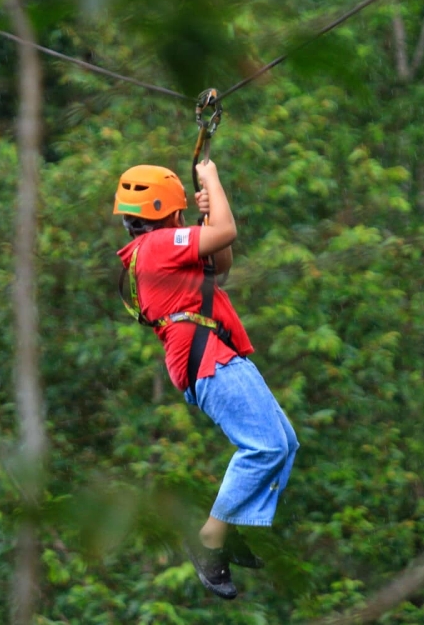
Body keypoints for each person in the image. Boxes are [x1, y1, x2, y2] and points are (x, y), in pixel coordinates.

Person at [114, 161, 299, 599]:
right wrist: (212, 181)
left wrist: (210, 209)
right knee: (266, 446)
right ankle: (211, 537)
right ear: (169, 214)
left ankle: (230, 529)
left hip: (215, 354)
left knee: (284, 443)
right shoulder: (159, 245)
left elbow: (221, 260)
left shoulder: (158, 248)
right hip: (207, 357)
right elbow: (228, 234)